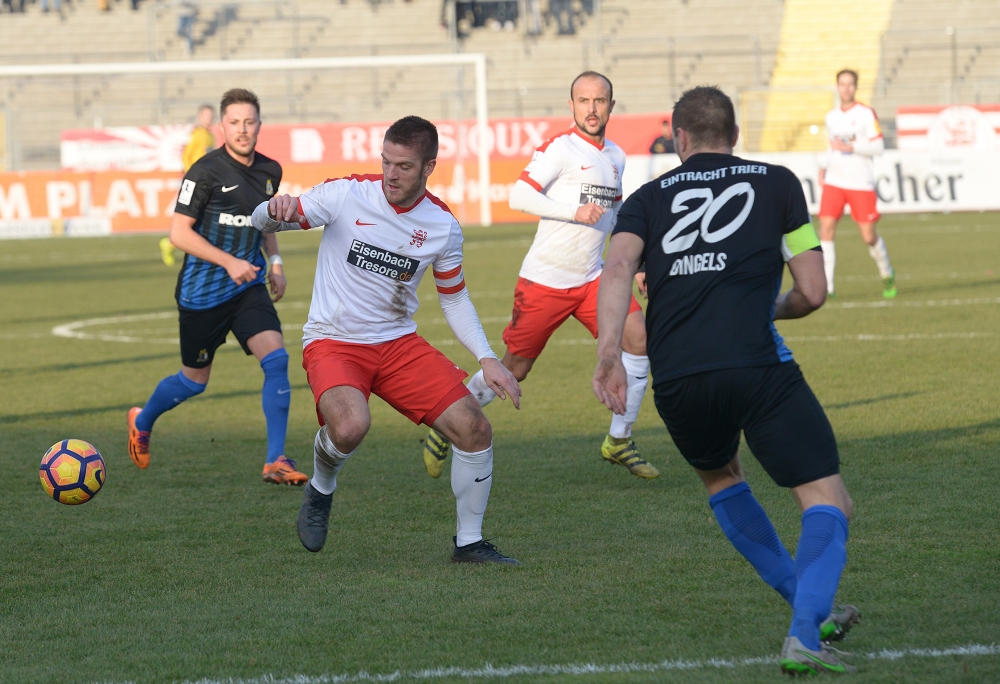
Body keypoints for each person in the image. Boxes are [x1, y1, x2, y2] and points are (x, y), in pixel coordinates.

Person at [594, 86, 860, 675]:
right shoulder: (779, 183)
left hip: (678, 376)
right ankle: (804, 636)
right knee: (827, 499)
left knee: (723, 480)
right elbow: (813, 292)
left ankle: (808, 612)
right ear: (734, 136)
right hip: (755, 364)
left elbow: (616, 269)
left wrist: (609, 352)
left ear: (679, 139)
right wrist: (765, 309)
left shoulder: (643, 199)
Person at [250, 116, 522, 564]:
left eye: (404, 166)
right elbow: (271, 220)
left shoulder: (442, 226)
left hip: (397, 344)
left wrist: (488, 358)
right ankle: (322, 486)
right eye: (386, 162)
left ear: (429, 166)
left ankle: (469, 544)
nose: (391, 175)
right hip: (334, 340)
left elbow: (454, 300)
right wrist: (271, 209)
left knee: (475, 428)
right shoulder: (346, 194)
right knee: (351, 427)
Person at [421, 71, 657, 481]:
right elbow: (518, 194)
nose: (592, 108)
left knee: (639, 338)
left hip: (593, 280)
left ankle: (619, 439)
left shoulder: (617, 156)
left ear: (611, 105)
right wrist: (574, 211)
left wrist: (637, 265)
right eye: (583, 100)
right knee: (515, 367)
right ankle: (449, 418)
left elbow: (617, 217)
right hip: (545, 281)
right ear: (571, 105)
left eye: (599, 100)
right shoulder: (560, 149)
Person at [127, 88, 308, 487]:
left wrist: (274, 263)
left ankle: (275, 459)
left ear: (259, 124)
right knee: (194, 381)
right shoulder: (204, 171)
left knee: (276, 360)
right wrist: (228, 262)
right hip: (202, 293)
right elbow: (178, 234)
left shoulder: (270, 171)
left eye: (249, 122)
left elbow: (266, 223)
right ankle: (142, 420)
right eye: (234, 123)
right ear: (222, 126)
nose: (242, 130)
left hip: (248, 287)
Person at [818, 69, 895, 299]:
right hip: (835, 180)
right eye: (842, 84)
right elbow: (831, 146)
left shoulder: (866, 113)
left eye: (850, 84)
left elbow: (879, 147)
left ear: (855, 87)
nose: (846, 88)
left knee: (868, 237)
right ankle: (827, 286)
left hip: (860, 181)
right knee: (826, 228)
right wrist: (823, 167)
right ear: (837, 86)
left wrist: (852, 147)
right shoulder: (831, 116)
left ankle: (886, 271)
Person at [162, 104, 217, 267]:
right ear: (200, 117)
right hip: (196, 183)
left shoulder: (210, 136)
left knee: (202, 218)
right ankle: (171, 243)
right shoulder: (197, 135)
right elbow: (186, 156)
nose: (209, 119)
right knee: (192, 218)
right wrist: (191, 176)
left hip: (206, 182)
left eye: (211, 116)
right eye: (206, 115)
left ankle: (178, 245)